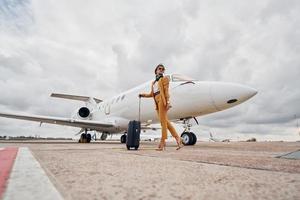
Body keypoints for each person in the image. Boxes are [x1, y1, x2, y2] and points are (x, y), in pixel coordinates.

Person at [139, 64, 183, 151]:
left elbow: (166, 91)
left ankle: (162, 142)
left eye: (163, 69)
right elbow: (152, 94)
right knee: (166, 122)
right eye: (160, 69)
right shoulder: (154, 83)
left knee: (163, 123)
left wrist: (168, 102)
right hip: (156, 102)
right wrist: (142, 95)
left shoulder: (164, 79)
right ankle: (178, 139)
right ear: (156, 71)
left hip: (162, 101)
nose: (161, 70)